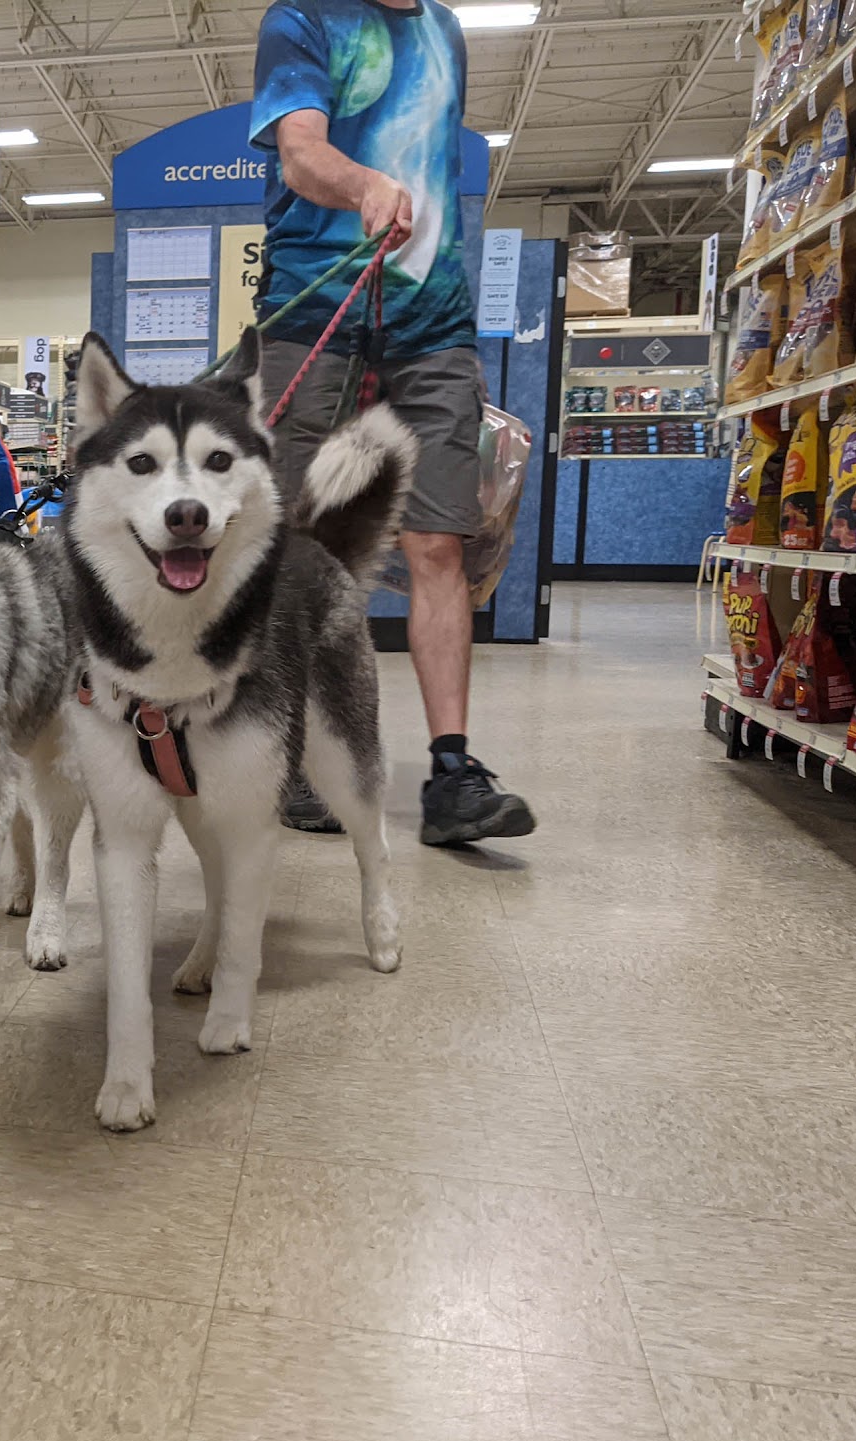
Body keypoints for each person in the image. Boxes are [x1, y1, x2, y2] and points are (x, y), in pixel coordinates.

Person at [249, 0, 535, 846]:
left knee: (442, 543)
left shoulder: (444, 30)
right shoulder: (302, 17)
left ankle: (453, 775)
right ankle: (291, 754)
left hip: (434, 320)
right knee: (299, 548)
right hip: (317, 313)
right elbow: (300, 153)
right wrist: (366, 185)